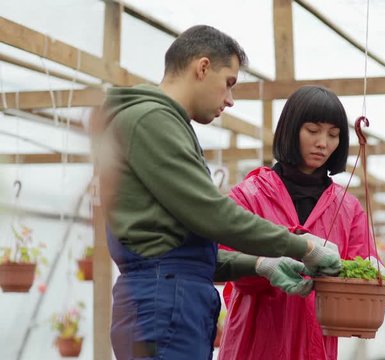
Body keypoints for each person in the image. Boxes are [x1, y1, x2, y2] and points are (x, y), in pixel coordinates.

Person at [97, 25, 342, 360]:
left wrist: (258, 264)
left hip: (172, 296)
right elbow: (211, 213)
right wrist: (305, 246)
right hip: (165, 300)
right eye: (229, 83)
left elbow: (185, 249)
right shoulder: (152, 119)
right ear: (202, 67)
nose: (230, 100)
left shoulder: (166, 123)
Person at [218, 85, 385, 360]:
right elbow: (221, 260)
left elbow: (369, 278)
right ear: (290, 130)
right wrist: (265, 266)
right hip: (255, 343)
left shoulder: (347, 208)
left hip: (314, 347)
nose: (323, 143)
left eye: (333, 135)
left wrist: (371, 278)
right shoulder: (249, 195)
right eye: (313, 131)